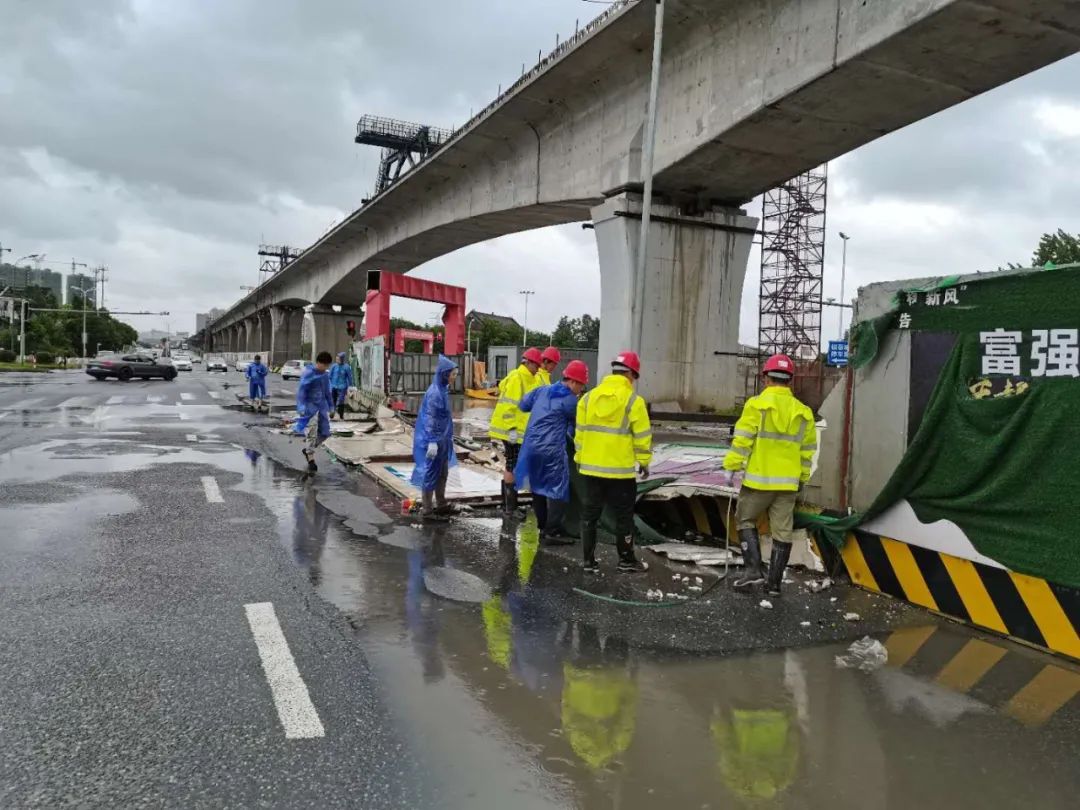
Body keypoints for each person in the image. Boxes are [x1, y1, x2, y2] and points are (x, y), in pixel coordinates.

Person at [722, 354, 817, 596]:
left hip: (758, 482)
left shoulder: (756, 405)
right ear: (790, 381)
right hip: (788, 485)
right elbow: (807, 453)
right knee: (782, 531)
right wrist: (802, 478)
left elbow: (742, 440)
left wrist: (732, 466)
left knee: (745, 520)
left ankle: (753, 572)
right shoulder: (804, 413)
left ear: (766, 378)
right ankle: (774, 585)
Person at [574, 351, 652, 574]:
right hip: (620, 472)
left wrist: (580, 459)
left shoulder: (587, 399)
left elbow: (579, 435)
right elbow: (642, 437)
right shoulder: (633, 402)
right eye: (634, 377)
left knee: (590, 515)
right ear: (630, 374)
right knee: (623, 516)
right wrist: (644, 462)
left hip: (590, 469)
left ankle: (588, 561)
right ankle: (626, 560)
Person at [514, 360, 589, 546]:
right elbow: (576, 424)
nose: (581, 390)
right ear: (573, 381)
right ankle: (552, 530)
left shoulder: (543, 390)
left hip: (531, 447)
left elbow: (523, 405)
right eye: (581, 385)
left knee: (538, 487)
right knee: (558, 490)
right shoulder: (571, 400)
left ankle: (542, 526)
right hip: (551, 450)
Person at [489, 347, 544, 515]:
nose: (538, 369)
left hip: (518, 431)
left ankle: (508, 506)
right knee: (512, 466)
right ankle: (510, 508)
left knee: (513, 464)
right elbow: (509, 407)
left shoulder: (528, 378)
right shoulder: (517, 378)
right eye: (536, 366)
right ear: (529, 363)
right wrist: (512, 429)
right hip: (511, 431)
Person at [411, 355, 459, 521]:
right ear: (445, 374)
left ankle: (441, 503)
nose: (455, 377)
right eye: (453, 374)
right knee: (431, 473)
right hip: (433, 441)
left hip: (442, 439)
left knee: (442, 472)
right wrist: (432, 441)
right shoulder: (435, 393)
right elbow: (430, 419)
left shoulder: (443, 390)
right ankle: (427, 509)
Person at [292, 351, 334, 472]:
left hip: (321, 406)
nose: (326, 368)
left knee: (325, 433)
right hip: (309, 407)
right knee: (312, 431)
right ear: (319, 363)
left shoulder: (325, 375)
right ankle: (311, 459)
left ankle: (308, 449)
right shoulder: (308, 373)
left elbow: (328, 392)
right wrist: (301, 407)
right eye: (324, 365)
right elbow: (301, 392)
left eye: (327, 366)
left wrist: (331, 407)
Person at [328, 351, 354, 420]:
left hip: (342, 386)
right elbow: (329, 376)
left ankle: (341, 414)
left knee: (341, 400)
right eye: (336, 359)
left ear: (342, 359)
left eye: (338, 359)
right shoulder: (334, 366)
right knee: (333, 400)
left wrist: (351, 386)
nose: (337, 360)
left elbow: (349, 377)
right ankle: (332, 412)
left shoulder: (346, 367)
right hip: (334, 386)